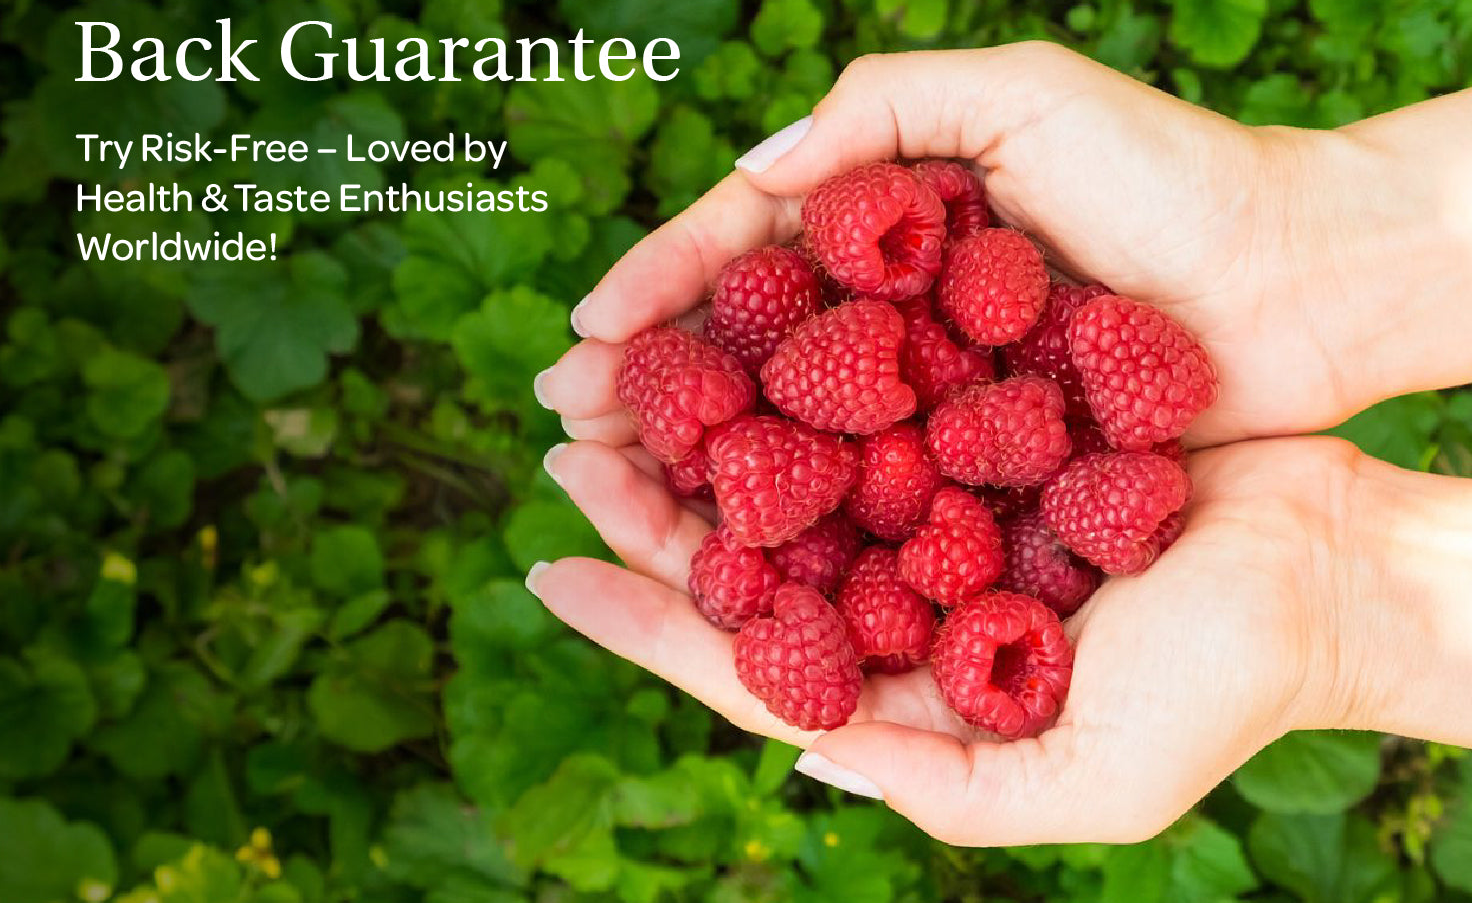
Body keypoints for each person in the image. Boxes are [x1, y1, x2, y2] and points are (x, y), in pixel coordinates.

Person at [526, 42, 1472, 847]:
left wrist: (1287, 236)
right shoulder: (870, 449)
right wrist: (1323, 603)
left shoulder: (983, 399)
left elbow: (970, 412)